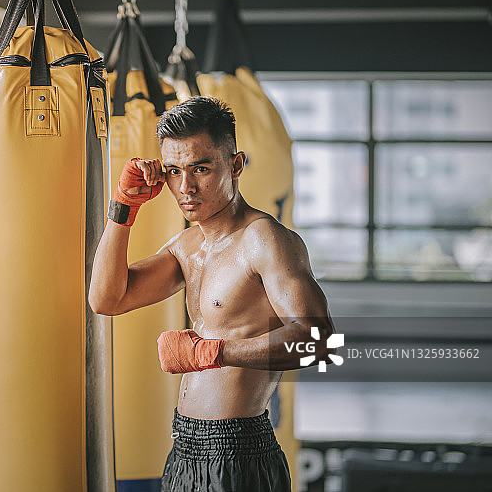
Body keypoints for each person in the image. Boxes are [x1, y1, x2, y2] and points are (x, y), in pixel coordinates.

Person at [88, 96, 336, 492]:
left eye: (200, 168)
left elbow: (319, 342)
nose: (185, 187)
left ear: (236, 165)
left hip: (240, 453)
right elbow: (106, 299)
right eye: (173, 171)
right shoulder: (188, 246)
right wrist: (123, 207)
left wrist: (213, 352)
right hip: (184, 449)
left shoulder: (264, 240)